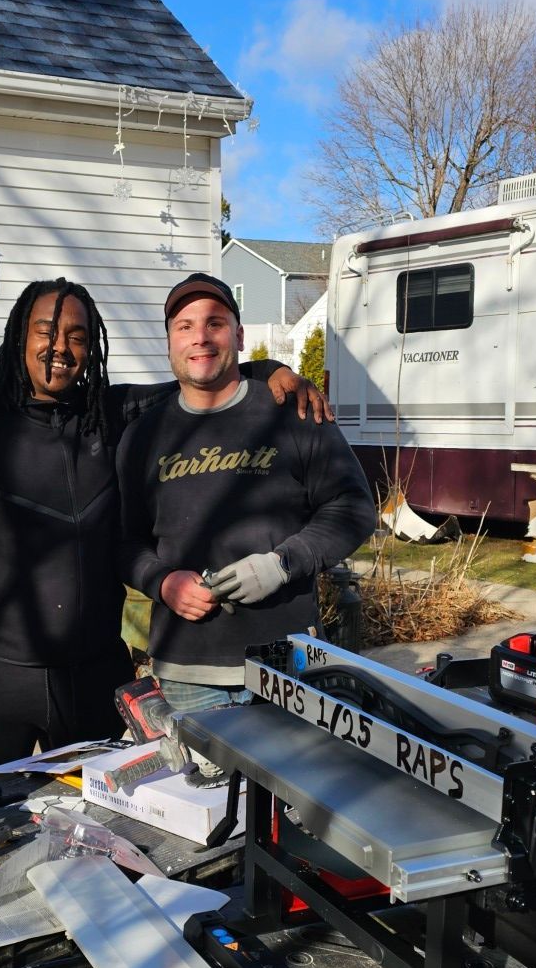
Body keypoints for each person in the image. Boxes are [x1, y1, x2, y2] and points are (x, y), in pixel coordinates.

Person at [0, 277, 327, 782]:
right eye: (46, 331)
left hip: (96, 676)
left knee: (105, 820)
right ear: (20, 335)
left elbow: (197, 379)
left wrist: (270, 370)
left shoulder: (107, 417)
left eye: (78, 336)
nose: (60, 348)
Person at [116, 273, 376, 713]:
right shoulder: (141, 437)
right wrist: (163, 582)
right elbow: (124, 541)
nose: (200, 337)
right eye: (184, 326)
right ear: (169, 342)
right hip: (187, 676)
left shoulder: (292, 413)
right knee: (195, 784)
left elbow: (353, 508)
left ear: (238, 336)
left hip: (289, 664)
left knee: (289, 784)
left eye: (215, 323)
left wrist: (282, 565)